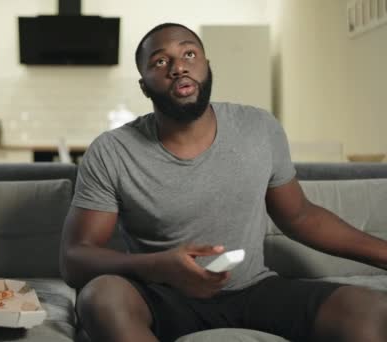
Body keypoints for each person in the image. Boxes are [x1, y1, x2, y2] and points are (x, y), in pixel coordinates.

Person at [59, 23, 387, 342]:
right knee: (100, 299)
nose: (178, 67)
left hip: (254, 290)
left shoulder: (258, 127)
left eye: (189, 54)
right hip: (161, 296)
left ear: (207, 66)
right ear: (144, 85)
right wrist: (160, 266)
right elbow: (75, 259)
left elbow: (300, 216)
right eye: (160, 61)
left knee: (369, 309)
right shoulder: (112, 151)